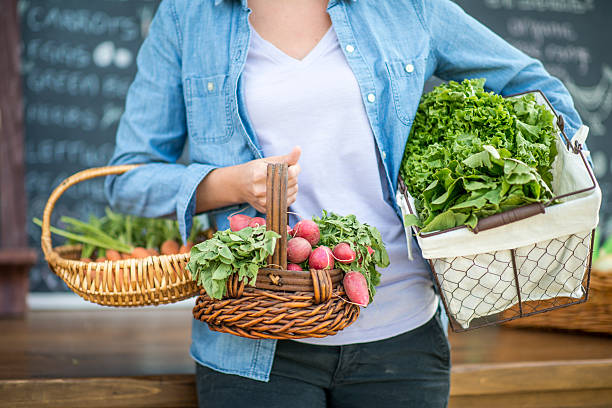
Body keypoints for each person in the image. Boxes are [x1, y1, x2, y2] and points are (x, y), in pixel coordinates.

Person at [105, 0, 583, 406]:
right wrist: (233, 184)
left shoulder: (404, 8)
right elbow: (127, 177)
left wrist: (511, 185)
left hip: (400, 336)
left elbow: (535, 88)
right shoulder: (189, 15)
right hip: (253, 347)